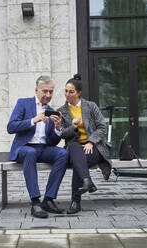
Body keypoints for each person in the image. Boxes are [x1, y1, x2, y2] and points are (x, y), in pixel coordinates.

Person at [7, 75, 69, 218]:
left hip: (43, 148)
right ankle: (35, 202)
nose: (48, 95)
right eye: (45, 91)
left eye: (51, 92)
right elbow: (10, 127)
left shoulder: (52, 111)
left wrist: (58, 128)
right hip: (24, 148)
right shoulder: (23, 103)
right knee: (30, 153)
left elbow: (52, 142)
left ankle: (48, 199)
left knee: (63, 154)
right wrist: (34, 120)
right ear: (36, 90)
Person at [57, 74, 112, 214]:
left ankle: (76, 202)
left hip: (94, 149)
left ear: (79, 93)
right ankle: (87, 181)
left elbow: (102, 127)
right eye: (66, 91)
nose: (67, 94)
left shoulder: (90, 106)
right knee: (75, 149)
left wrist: (91, 142)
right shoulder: (61, 112)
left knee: (78, 162)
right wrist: (73, 128)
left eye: (71, 91)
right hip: (74, 148)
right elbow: (62, 133)